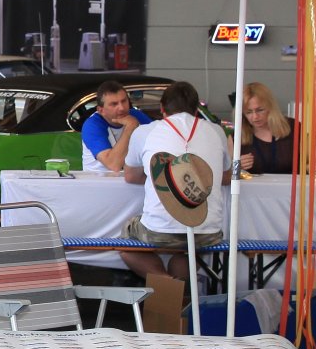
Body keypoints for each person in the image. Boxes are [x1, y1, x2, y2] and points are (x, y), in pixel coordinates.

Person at [121, 80, 232, 281]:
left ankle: (167, 285)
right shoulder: (217, 131)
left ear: (162, 108)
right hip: (209, 230)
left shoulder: (145, 132)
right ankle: (177, 293)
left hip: (159, 230)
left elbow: (130, 176)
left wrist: (161, 176)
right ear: (196, 110)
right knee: (188, 248)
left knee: (126, 239)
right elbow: (225, 177)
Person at [80, 79, 151, 172]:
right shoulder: (92, 125)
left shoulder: (136, 115)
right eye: (114, 104)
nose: (121, 108)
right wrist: (130, 127)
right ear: (101, 110)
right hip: (99, 179)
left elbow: (158, 139)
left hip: (131, 177)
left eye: (124, 101)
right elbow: (113, 165)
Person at [238, 80, 295, 174]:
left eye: (260, 110)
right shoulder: (237, 137)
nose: (255, 117)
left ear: (270, 107)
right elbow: (227, 174)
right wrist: (237, 166)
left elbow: (310, 162)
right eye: (248, 112)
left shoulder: (294, 127)